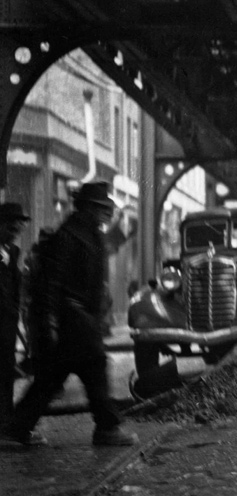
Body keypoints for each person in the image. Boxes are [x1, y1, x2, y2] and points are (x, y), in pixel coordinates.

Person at [2, 182, 138, 447]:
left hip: (78, 320)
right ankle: (107, 427)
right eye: (100, 208)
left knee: (51, 380)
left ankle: (15, 430)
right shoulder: (68, 236)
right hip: (71, 318)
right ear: (86, 208)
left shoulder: (88, 234)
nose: (105, 213)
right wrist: (49, 322)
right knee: (94, 366)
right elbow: (51, 283)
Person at [0, 203, 30, 430]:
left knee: (6, 369)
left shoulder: (13, 252)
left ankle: (6, 418)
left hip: (7, 326)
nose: (15, 231)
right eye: (10, 226)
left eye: (17, 227)